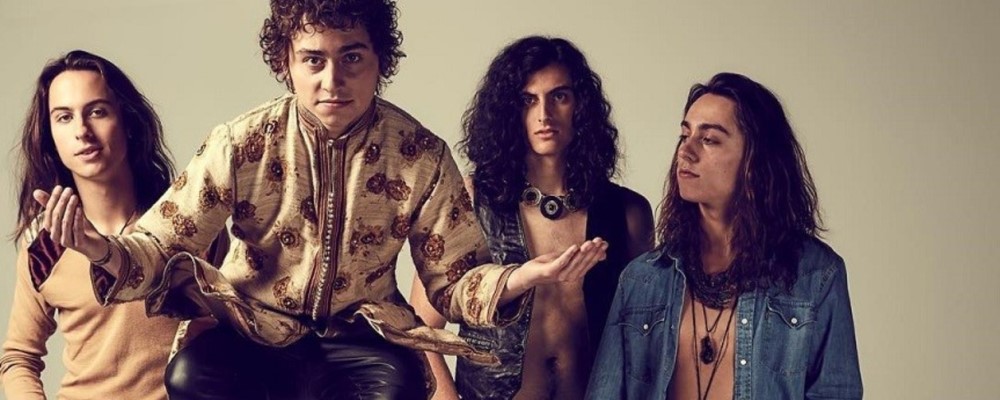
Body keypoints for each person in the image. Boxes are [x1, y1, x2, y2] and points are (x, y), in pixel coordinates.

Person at [33, 2, 608, 399]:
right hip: (252, 330)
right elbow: (161, 243)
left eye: (351, 57)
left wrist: (518, 278)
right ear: (286, 62)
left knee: (401, 387)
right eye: (314, 60)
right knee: (188, 377)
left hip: (360, 338)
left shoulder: (420, 155)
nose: (332, 80)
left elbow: (453, 281)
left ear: (380, 61)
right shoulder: (241, 143)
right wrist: (100, 250)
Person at [586, 72, 863, 400]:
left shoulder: (816, 275)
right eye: (684, 135)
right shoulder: (642, 280)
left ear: (755, 159)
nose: (685, 152)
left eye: (709, 139)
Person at [409, 36, 654, 400]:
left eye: (559, 96)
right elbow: (419, 329)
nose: (544, 115)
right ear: (509, 111)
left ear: (581, 106)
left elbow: (646, 336)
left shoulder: (627, 212)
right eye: (528, 100)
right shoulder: (472, 200)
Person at [0, 50, 223, 400]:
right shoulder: (44, 247)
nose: (82, 131)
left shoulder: (191, 220)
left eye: (97, 112)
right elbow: (19, 358)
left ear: (128, 122)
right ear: (50, 136)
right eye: (64, 117)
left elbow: (245, 325)